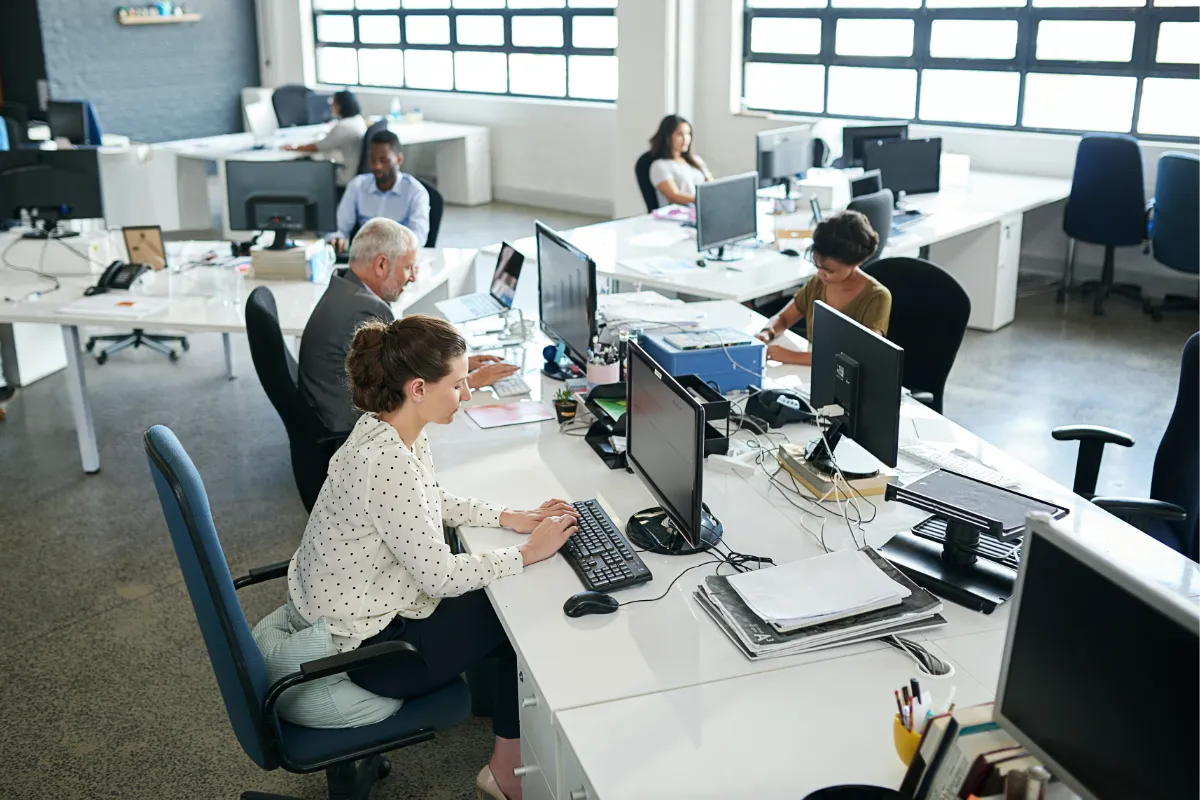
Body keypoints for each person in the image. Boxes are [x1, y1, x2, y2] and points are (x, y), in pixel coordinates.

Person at [288, 314, 579, 800]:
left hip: (350, 611)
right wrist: (529, 551)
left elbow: (429, 499)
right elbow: (441, 576)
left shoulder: (388, 429)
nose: (467, 395)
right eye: (460, 384)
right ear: (419, 388)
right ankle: (506, 773)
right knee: (516, 614)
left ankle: (505, 751)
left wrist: (509, 516)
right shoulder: (387, 461)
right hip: (369, 651)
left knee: (501, 594)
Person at [299, 218, 518, 432]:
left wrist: (456, 367)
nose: (412, 277)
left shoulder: (344, 287)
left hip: (324, 407)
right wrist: (468, 382)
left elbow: (404, 367)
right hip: (347, 424)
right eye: (408, 267)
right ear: (381, 264)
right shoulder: (365, 311)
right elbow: (400, 389)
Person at [755, 210, 891, 366]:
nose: (820, 273)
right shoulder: (818, 283)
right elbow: (784, 318)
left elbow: (860, 356)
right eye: (818, 266)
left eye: (829, 271)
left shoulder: (877, 297)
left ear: (855, 263)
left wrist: (792, 356)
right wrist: (768, 332)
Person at [333, 129, 430, 251]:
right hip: (365, 257)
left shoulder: (415, 192)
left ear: (399, 160)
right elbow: (340, 227)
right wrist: (337, 239)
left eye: (384, 160)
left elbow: (418, 237)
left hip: (398, 256)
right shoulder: (358, 185)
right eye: (372, 159)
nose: (376, 166)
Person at [282, 89, 368, 191]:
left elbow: (316, 147)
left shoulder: (344, 127)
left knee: (309, 163)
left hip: (344, 176)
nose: (331, 106)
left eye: (333, 103)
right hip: (354, 171)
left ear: (340, 106)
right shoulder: (358, 120)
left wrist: (293, 147)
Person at [647, 114, 713, 207]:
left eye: (688, 134)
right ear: (668, 137)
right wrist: (702, 199)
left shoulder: (696, 160)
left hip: (702, 210)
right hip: (680, 215)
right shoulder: (659, 166)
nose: (686, 139)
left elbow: (711, 185)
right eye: (680, 134)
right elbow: (675, 196)